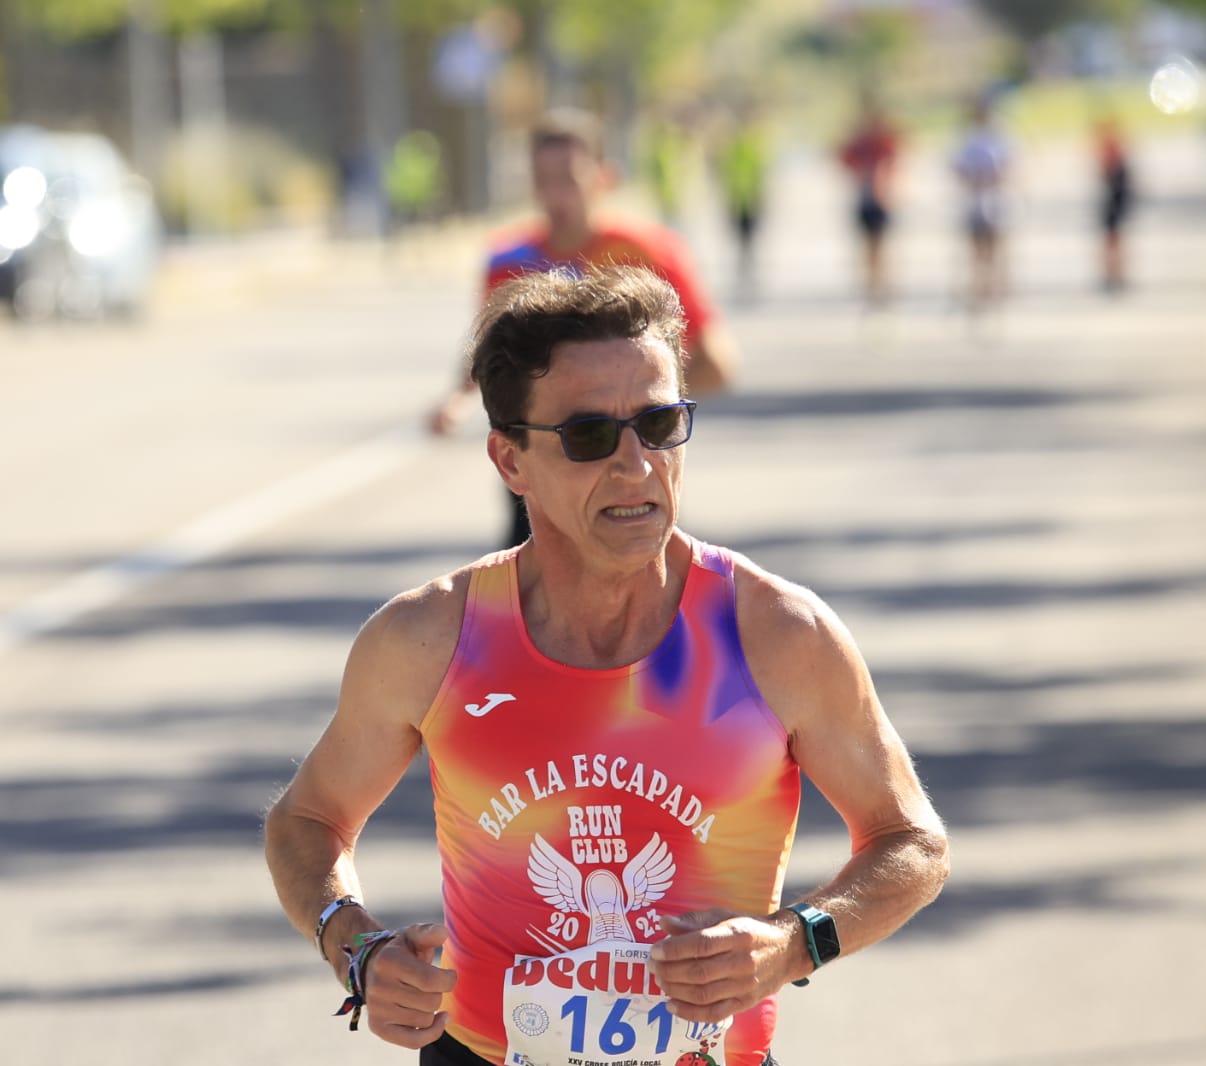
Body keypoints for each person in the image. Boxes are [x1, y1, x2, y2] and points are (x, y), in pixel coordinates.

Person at [267, 265, 951, 1066]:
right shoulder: (429, 638)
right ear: (510, 461)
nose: (635, 465)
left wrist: (791, 945)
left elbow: (912, 843)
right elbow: (306, 821)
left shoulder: (779, 635)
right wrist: (357, 949)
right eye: (590, 436)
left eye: (660, 424)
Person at [429, 108, 739, 549]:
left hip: (637, 465)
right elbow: (490, 355)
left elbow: (720, 363)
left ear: (603, 177)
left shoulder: (647, 252)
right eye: (542, 180)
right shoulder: (507, 261)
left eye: (569, 179)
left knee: (644, 577)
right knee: (534, 592)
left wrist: (642, 416)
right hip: (544, 462)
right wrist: (457, 399)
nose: (555, 195)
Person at [838, 97, 901, 306]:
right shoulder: (859, 142)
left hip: (882, 199)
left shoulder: (885, 141)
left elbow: (896, 161)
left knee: (882, 245)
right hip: (864, 200)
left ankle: (883, 286)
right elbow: (843, 158)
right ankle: (870, 286)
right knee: (867, 246)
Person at [951, 96, 1013, 311]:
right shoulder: (967, 137)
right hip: (975, 200)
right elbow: (957, 167)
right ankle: (979, 289)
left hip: (995, 200)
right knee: (977, 248)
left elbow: (1009, 166)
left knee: (995, 247)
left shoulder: (999, 137)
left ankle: (995, 290)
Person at [716, 104, 771, 303]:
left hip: (747, 200)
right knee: (743, 242)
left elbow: (760, 172)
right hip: (740, 200)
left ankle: (748, 277)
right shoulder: (739, 145)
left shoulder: (749, 144)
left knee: (747, 242)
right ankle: (745, 277)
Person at [1094, 114, 1133, 293]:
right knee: (1113, 240)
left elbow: (1106, 173)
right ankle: (1113, 275)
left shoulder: (1113, 151)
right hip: (1115, 200)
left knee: (1112, 239)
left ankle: (1113, 275)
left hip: (1114, 200)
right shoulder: (1117, 150)